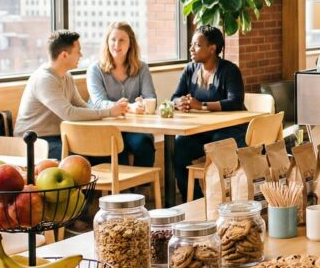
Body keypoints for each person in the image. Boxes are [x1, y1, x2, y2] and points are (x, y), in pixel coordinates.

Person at [16, 30, 128, 159]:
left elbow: (81, 105)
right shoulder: (44, 79)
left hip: (60, 137)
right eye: (78, 51)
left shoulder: (67, 76)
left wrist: (110, 113)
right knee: (80, 159)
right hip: (34, 142)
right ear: (64, 55)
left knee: (115, 150)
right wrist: (108, 112)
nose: (81, 55)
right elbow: (68, 113)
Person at [171, 25, 247, 199]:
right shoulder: (190, 69)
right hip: (201, 131)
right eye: (191, 44)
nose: (191, 49)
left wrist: (202, 105)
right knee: (179, 144)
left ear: (212, 48)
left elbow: (235, 102)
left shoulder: (229, 70)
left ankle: (224, 198)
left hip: (230, 131)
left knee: (217, 141)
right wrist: (180, 102)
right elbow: (174, 96)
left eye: (196, 45)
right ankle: (193, 199)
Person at [86, 22, 157, 167]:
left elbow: (151, 98)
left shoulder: (142, 68)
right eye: (113, 39)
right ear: (107, 42)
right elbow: (99, 103)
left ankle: (143, 188)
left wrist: (142, 105)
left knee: (144, 144)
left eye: (122, 40)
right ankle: (125, 189)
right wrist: (129, 107)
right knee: (119, 152)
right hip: (106, 128)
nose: (116, 44)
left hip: (133, 128)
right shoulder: (95, 70)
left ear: (130, 43)